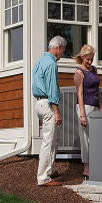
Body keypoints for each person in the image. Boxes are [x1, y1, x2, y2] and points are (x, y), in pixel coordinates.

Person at [32, 36, 67, 186]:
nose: (62, 54)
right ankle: (43, 178)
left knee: (54, 138)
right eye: (63, 50)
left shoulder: (39, 61)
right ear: (58, 48)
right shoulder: (52, 64)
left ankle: (50, 169)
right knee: (48, 141)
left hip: (39, 103)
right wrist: (57, 112)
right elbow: (52, 90)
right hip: (47, 104)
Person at [73, 45, 102, 179]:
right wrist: (82, 115)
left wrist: (101, 108)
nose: (90, 62)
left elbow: (98, 90)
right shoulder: (79, 73)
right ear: (82, 58)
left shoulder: (94, 70)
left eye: (92, 59)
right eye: (88, 59)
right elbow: (80, 95)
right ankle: (86, 168)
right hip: (84, 107)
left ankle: (96, 164)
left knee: (96, 137)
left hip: (95, 106)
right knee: (85, 138)